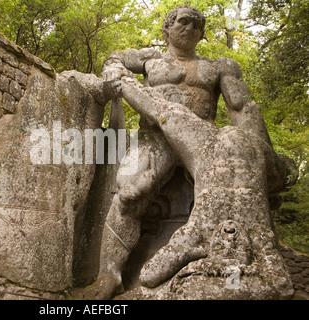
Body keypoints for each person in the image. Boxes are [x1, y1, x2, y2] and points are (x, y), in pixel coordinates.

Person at [77, 5, 292, 300]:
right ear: (167, 28)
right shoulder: (151, 59)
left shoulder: (218, 66)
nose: (190, 27)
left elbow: (242, 109)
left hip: (203, 143)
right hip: (157, 138)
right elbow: (115, 58)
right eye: (183, 21)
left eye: (197, 24)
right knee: (128, 192)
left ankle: (231, 280)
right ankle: (109, 276)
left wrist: (263, 156)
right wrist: (112, 68)